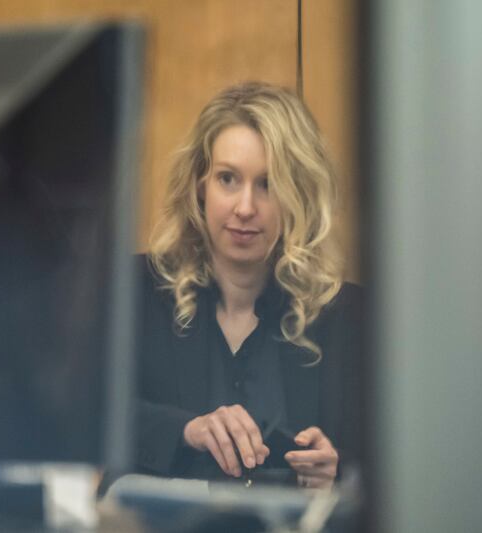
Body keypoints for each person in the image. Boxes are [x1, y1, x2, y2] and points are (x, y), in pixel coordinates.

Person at [134, 81, 362, 490]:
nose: (245, 208)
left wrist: (338, 470)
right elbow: (83, 420)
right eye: (227, 179)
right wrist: (187, 430)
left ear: (300, 196)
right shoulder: (134, 294)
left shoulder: (350, 316)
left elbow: (403, 460)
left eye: (267, 184)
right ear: (199, 185)